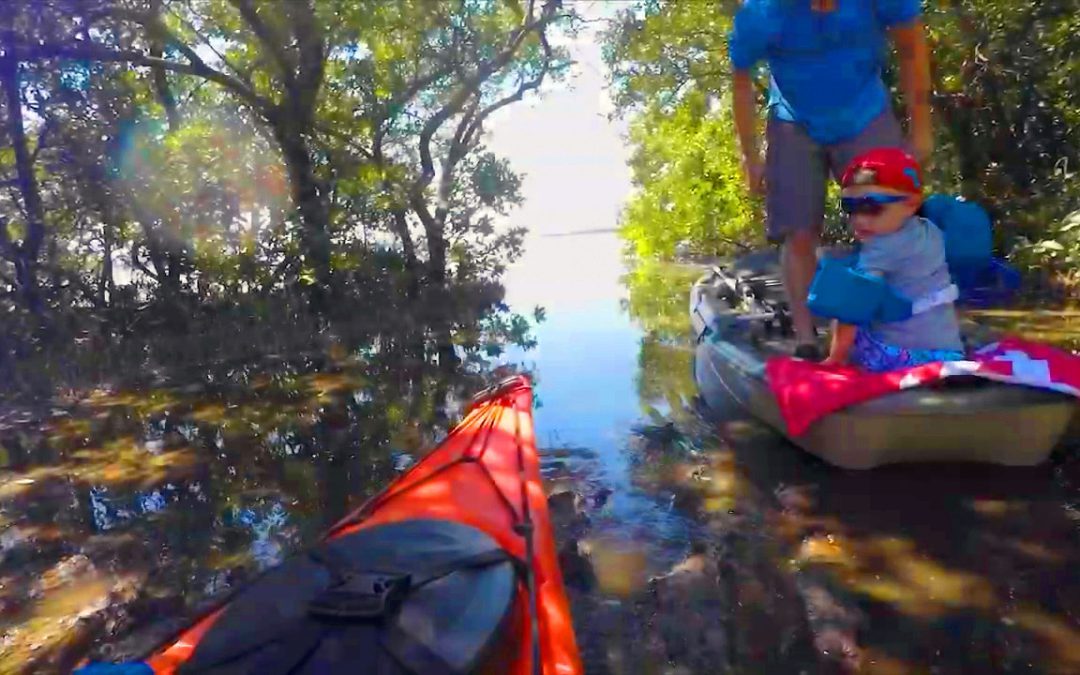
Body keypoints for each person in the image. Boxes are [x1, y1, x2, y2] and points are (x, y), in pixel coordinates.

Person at [728, 0, 933, 360]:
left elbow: (911, 46)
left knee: (888, 221)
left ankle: (905, 331)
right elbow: (741, 82)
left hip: (864, 112)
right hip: (794, 120)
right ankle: (807, 339)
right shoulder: (761, 14)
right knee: (799, 230)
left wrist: (921, 128)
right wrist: (750, 157)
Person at [822, 147, 965, 371]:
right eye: (850, 207)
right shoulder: (932, 231)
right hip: (948, 351)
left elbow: (852, 309)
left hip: (902, 358)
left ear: (911, 203)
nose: (859, 219)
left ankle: (847, 362)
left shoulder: (880, 248)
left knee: (840, 314)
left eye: (871, 207)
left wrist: (836, 358)